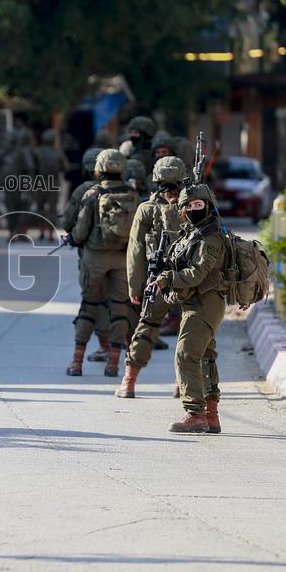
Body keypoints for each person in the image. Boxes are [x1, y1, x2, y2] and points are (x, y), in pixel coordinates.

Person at [153, 184, 227, 433]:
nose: (194, 209)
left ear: (209, 206)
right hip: (194, 302)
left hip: (206, 303)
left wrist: (168, 278)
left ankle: (195, 413)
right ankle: (211, 415)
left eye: (199, 205)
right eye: (189, 205)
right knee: (205, 357)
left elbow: (197, 273)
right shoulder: (192, 233)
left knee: (186, 354)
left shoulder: (211, 237)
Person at [116, 156, 187, 399]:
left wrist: (135, 287)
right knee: (189, 332)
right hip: (190, 279)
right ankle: (183, 384)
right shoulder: (197, 204)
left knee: (146, 327)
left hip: (157, 280)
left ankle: (129, 381)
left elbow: (135, 251)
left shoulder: (147, 209)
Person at [66, 149, 140, 377]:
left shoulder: (92, 193)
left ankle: (77, 363)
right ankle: (113, 365)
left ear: (99, 168)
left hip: (95, 258)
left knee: (89, 307)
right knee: (119, 311)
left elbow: (80, 231)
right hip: (122, 258)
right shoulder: (132, 194)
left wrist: (73, 239)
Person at [62, 146, 112, 363]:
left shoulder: (84, 190)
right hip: (121, 257)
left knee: (93, 302)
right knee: (116, 302)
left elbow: (68, 223)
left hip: (92, 256)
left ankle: (103, 347)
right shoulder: (125, 189)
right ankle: (119, 347)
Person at [0, 128, 37, 240]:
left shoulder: (4, 153)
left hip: (13, 185)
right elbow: (30, 167)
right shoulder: (21, 152)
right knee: (19, 209)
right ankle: (16, 233)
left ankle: (14, 233)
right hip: (15, 185)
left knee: (12, 209)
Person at [33, 129, 66, 240]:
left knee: (40, 207)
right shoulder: (58, 152)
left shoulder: (37, 151)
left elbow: (32, 167)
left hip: (40, 181)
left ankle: (41, 232)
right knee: (52, 209)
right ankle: (51, 234)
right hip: (54, 182)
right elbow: (65, 167)